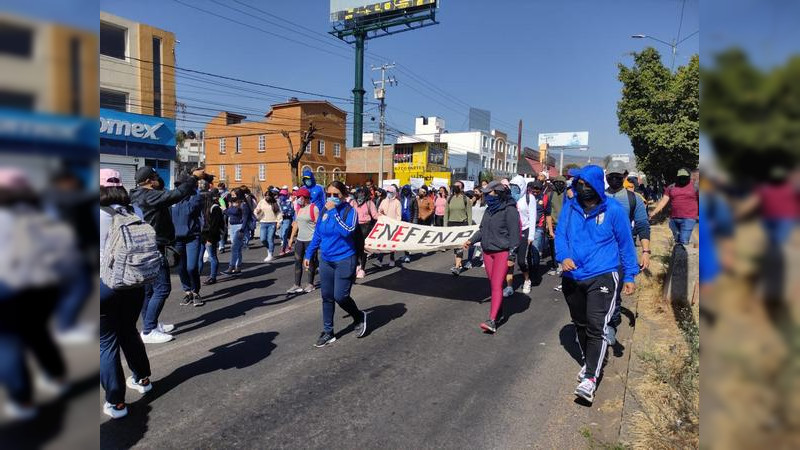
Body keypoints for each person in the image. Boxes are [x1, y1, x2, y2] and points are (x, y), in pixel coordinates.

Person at [555, 165, 639, 404]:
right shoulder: (570, 208)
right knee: (580, 323)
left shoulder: (614, 210)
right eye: (579, 185)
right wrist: (563, 256)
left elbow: (625, 244)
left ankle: (590, 378)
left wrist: (630, 275)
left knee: (596, 325)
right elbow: (561, 235)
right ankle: (589, 361)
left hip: (603, 274)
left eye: (587, 185)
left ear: (597, 186)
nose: (583, 189)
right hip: (573, 276)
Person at [98, 169, 153, 419]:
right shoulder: (134, 212)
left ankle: (116, 402)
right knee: (129, 331)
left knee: (106, 341)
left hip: (103, 286)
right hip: (133, 283)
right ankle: (143, 379)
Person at [130, 166, 204, 344]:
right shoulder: (149, 195)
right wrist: (193, 177)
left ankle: (152, 324)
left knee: (149, 291)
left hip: (144, 247)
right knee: (162, 289)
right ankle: (148, 330)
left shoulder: (135, 194)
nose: (158, 179)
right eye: (155, 176)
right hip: (155, 248)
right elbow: (177, 194)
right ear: (149, 180)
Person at [304, 181, 368, 347]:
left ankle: (359, 316)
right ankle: (328, 331)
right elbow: (318, 233)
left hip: (345, 259)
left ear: (344, 195)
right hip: (326, 260)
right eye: (329, 194)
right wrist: (309, 253)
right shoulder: (324, 210)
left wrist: (335, 213)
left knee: (341, 296)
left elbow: (347, 231)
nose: (332, 198)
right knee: (326, 297)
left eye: (336, 195)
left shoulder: (350, 211)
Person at [463, 181, 520, 334]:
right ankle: (499, 312)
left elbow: (515, 235)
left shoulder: (510, 210)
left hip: (502, 252)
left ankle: (492, 321)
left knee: (496, 285)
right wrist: (471, 240)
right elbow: (482, 230)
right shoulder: (489, 210)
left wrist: (512, 256)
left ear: (498, 193)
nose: (486, 196)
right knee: (494, 284)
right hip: (487, 252)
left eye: (489, 193)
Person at [605, 168, 651, 345]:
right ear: (606, 177)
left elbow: (642, 226)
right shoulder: (599, 196)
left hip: (622, 253)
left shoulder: (634, 199)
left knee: (615, 291)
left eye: (618, 177)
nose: (614, 180)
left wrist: (645, 252)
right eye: (611, 177)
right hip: (599, 252)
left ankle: (611, 325)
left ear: (624, 177)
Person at [171, 174, 205, 307]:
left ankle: (196, 291)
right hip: (176, 239)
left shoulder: (195, 198)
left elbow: (192, 209)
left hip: (192, 237)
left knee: (191, 267)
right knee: (181, 268)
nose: (179, 187)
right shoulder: (172, 200)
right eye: (178, 185)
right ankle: (187, 292)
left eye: (182, 185)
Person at [649, 168, 699, 245]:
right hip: (674, 218)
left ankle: (682, 254)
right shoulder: (671, 187)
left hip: (689, 218)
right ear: (677, 177)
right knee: (677, 240)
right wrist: (654, 212)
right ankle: (677, 255)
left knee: (684, 240)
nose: (682, 179)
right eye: (681, 177)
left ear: (688, 177)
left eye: (685, 177)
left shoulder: (695, 187)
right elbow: (663, 201)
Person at [287, 187, 319, 293]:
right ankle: (297, 284)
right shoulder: (299, 209)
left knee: (310, 262)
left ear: (304, 197)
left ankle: (310, 284)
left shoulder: (313, 208)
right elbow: (296, 224)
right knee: (297, 261)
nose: (297, 199)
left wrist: (318, 241)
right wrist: (291, 238)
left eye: (298, 197)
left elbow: (319, 225)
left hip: (310, 240)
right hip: (300, 239)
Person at [510, 176, 538, 295]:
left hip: (524, 231)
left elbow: (532, 217)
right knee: (510, 261)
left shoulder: (529, 198)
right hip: (512, 232)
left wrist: (531, 236)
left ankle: (527, 280)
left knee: (521, 261)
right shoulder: (510, 198)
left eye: (516, 187)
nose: (514, 189)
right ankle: (509, 286)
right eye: (512, 186)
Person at [445, 181, 473, 275]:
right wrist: (445, 227)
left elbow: (469, 214)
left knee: (460, 246)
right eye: (455, 185)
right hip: (451, 224)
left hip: (462, 224)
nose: (455, 187)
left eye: (458, 186)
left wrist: (469, 228)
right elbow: (446, 213)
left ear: (462, 188)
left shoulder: (466, 199)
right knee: (455, 246)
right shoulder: (449, 198)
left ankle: (457, 267)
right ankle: (459, 263)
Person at [527, 180, 552, 284]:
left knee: (535, 250)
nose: (536, 192)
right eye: (534, 190)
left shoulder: (545, 198)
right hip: (527, 227)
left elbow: (548, 215)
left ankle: (535, 273)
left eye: (538, 190)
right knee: (527, 252)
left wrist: (550, 230)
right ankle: (529, 271)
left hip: (538, 227)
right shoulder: (526, 197)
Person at [352, 186, 379, 278]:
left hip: (365, 227)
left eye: (362, 194)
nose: (360, 196)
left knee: (363, 249)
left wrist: (383, 218)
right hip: (354, 227)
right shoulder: (353, 203)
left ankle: (362, 269)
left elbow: (375, 215)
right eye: (359, 193)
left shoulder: (369, 203)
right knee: (354, 249)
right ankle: (356, 266)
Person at [222, 189, 251, 275]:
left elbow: (245, 218)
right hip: (233, 226)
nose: (232, 197)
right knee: (237, 249)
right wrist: (226, 209)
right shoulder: (233, 203)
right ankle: (238, 267)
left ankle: (231, 267)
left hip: (239, 227)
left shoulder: (243, 204)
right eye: (232, 195)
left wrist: (242, 230)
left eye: (234, 195)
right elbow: (229, 213)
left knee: (234, 248)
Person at [548, 176, 568, 291]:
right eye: (557, 182)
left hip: (564, 226)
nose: (559, 184)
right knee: (553, 247)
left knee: (563, 247)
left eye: (561, 183)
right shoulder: (551, 195)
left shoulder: (567, 195)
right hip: (554, 225)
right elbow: (549, 212)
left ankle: (562, 266)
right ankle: (557, 266)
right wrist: (549, 227)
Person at [201, 189, 224, 285]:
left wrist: (210, 239)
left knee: (212, 256)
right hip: (203, 235)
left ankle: (213, 277)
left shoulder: (215, 208)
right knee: (200, 257)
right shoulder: (204, 208)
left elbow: (215, 225)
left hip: (210, 236)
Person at [375, 185, 402, 266]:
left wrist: (396, 224)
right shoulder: (384, 201)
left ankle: (392, 258)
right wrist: (380, 214)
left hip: (393, 226)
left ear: (394, 193)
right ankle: (379, 260)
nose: (388, 193)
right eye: (387, 192)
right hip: (384, 225)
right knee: (383, 243)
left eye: (390, 192)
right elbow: (379, 210)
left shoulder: (397, 203)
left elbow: (398, 215)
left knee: (391, 244)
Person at [255, 189, 281, 262]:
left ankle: (270, 254)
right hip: (263, 222)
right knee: (263, 239)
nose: (267, 197)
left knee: (270, 239)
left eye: (268, 196)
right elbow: (256, 209)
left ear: (271, 196)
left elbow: (278, 213)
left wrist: (279, 222)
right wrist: (257, 211)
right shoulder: (261, 202)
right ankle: (269, 248)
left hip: (272, 222)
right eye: (265, 196)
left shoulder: (275, 203)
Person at [398, 185, 418, 263]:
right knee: (404, 238)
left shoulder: (413, 199)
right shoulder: (401, 199)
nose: (405, 191)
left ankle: (408, 254)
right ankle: (406, 254)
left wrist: (415, 221)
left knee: (408, 238)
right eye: (404, 190)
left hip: (410, 220)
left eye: (407, 190)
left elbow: (416, 211)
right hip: (402, 220)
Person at [278, 188, 295, 256]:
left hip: (287, 219)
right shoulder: (279, 202)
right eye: (281, 194)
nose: (281, 196)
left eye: (283, 195)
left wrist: (285, 214)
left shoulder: (289, 202)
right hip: (280, 220)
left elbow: (292, 212)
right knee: (280, 235)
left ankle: (283, 249)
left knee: (284, 234)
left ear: (286, 195)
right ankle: (288, 244)